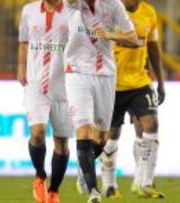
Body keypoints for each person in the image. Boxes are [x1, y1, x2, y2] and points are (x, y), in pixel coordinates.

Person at [63, 0, 137, 202]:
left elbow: (133, 38)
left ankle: (82, 169)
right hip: (76, 71)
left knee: (102, 138)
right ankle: (94, 191)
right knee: (84, 129)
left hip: (105, 73)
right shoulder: (72, 4)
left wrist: (110, 34)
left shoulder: (113, 5)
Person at [100, 0, 165, 199]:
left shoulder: (149, 13)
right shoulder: (108, 10)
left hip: (139, 82)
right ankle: (109, 185)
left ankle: (145, 183)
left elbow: (153, 46)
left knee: (150, 125)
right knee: (111, 136)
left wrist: (160, 82)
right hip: (112, 83)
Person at [18, 0, 73, 202]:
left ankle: (54, 191)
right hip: (35, 83)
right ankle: (40, 175)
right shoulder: (29, 10)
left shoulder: (72, 11)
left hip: (64, 85)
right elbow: (23, 41)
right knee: (38, 133)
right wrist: (21, 67)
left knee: (62, 142)